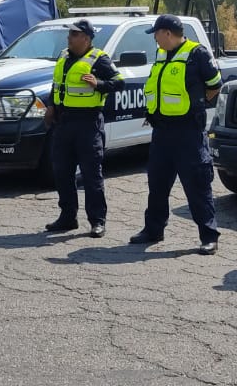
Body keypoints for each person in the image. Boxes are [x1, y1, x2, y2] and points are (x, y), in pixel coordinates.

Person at [130, 15, 223, 255]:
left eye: (156, 33)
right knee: (157, 184)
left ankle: (209, 236)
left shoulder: (197, 54)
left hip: (187, 133)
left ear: (167, 33)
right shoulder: (163, 54)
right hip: (162, 132)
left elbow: (215, 84)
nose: (155, 38)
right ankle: (153, 230)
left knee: (197, 185)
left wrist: (196, 105)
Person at [44, 19, 125, 237]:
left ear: (86, 39)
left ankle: (97, 220)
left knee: (91, 174)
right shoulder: (63, 56)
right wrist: (51, 107)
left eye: (74, 34)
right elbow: (57, 84)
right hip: (63, 122)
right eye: (69, 34)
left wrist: (98, 84)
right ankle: (67, 217)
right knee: (62, 172)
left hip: (88, 123)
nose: (69, 38)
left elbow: (119, 82)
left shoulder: (99, 59)